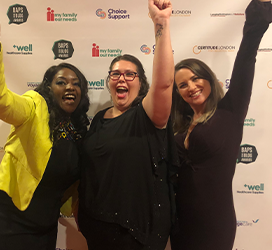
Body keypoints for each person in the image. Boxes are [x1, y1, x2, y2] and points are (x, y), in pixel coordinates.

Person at [0, 1, 90, 249]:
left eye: (76, 83)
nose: (70, 87)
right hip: (4, 219)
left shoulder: (80, 132)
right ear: (48, 88)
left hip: (43, 226)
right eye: (61, 82)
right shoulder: (34, 107)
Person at [170, 1, 272, 249]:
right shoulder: (178, 126)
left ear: (209, 79)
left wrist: (260, 8)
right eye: (182, 85)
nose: (191, 87)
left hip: (214, 222)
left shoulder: (230, 110)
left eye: (196, 78)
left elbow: (247, 54)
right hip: (179, 221)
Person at [77, 0, 177, 249]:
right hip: (96, 227)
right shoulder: (99, 119)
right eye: (115, 74)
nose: (122, 78)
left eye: (129, 74)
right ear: (109, 82)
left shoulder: (147, 116)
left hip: (134, 234)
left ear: (141, 82)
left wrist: (161, 24)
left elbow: (164, 84)